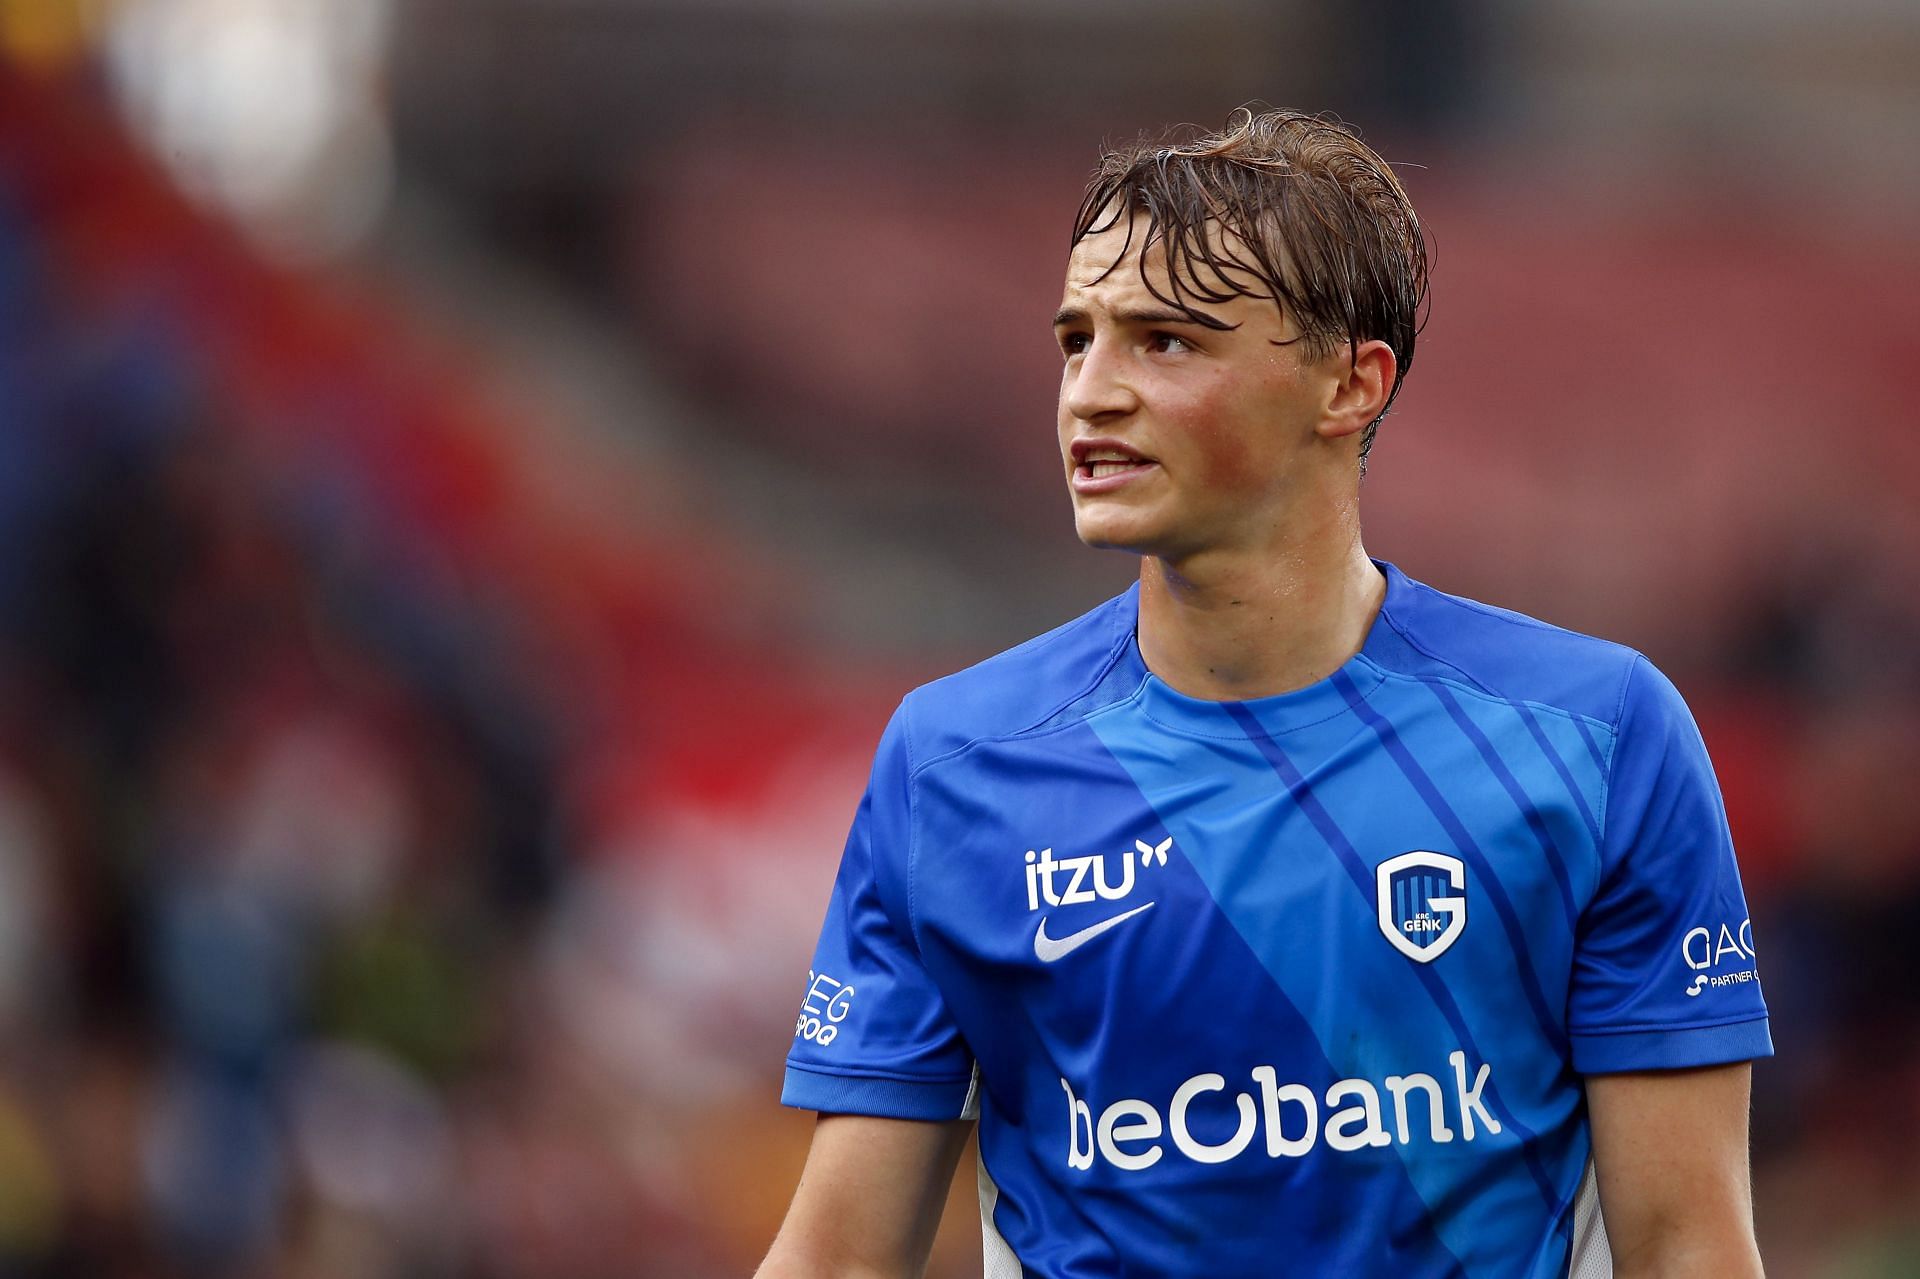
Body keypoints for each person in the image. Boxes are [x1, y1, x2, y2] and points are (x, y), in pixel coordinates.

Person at [758, 108, 1770, 1278]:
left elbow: (1690, 1249)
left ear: (1350, 383)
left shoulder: (1598, 739)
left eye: (1166, 342)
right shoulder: (952, 765)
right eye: (1076, 339)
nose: (1091, 391)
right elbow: (836, 1257)